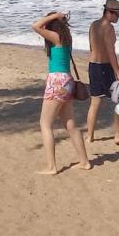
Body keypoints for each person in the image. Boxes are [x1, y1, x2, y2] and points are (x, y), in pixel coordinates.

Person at [31, 11, 92, 175]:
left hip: (57, 81)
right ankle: (84, 161)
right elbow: (40, 26)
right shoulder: (66, 38)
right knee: (70, 123)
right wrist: (58, 18)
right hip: (67, 80)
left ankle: (51, 167)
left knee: (45, 124)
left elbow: (35, 25)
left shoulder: (56, 37)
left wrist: (54, 16)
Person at [86, 0, 119, 147]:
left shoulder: (94, 25)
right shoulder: (108, 28)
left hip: (93, 65)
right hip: (104, 67)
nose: (118, 17)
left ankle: (90, 136)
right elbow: (110, 52)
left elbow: (91, 47)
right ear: (108, 12)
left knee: (95, 102)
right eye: (117, 14)